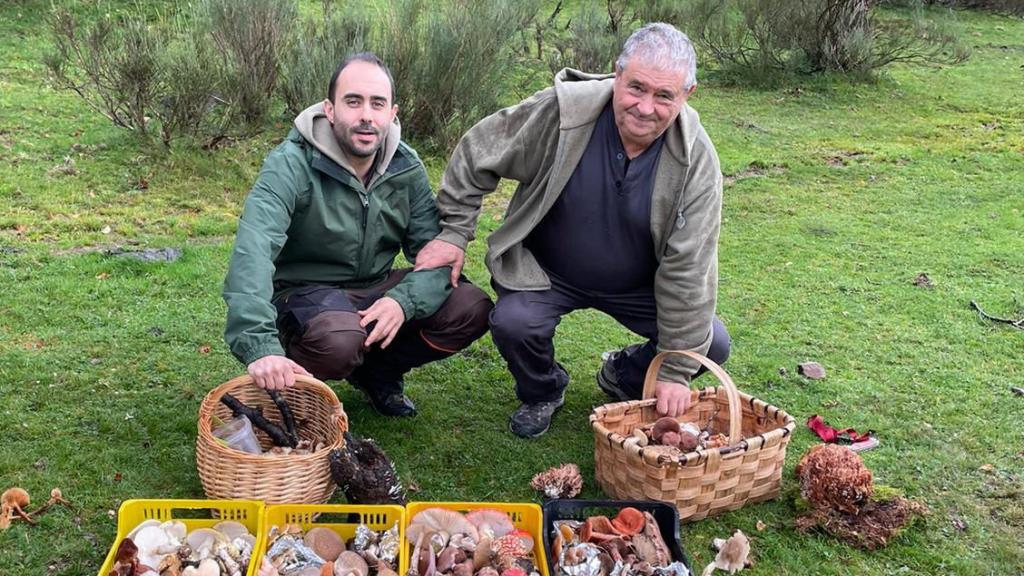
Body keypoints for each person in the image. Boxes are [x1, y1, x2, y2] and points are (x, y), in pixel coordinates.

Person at [414, 23, 730, 437]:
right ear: (617, 75)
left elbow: (689, 268)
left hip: (640, 285)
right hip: (548, 273)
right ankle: (544, 389)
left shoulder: (697, 163)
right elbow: (478, 152)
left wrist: (674, 369)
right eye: (636, 88)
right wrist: (454, 232)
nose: (645, 107)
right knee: (513, 322)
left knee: (712, 343)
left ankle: (623, 374)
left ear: (687, 95)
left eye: (663, 95)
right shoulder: (562, 114)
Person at [223, 53, 493, 416]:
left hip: (373, 287)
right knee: (339, 340)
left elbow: (435, 255)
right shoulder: (290, 163)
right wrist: (260, 346)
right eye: (353, 101)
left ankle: (377, 373)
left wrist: (402, 301)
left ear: (392, 113)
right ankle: (290, 385)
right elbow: (252, 251)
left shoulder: (405, 166)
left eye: (377, 104)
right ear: (330, 109)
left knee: (470, 308)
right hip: (304, 295)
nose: (366, 115)